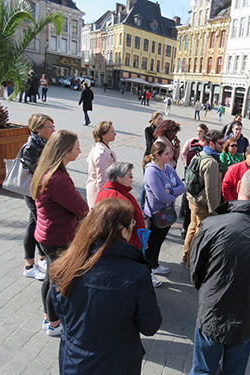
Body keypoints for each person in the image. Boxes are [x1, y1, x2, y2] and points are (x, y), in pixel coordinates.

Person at [190, 168, 250, 375]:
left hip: (213, 310)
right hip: (247, 314)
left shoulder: (212, 225)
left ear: (239, 186)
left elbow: (196, 271)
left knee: (202, 370)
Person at [50, 198, 162, 374]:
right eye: (131, 223)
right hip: (118, 363)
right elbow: (150, 326)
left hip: (74, 362)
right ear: (124, 232)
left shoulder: (64, 265)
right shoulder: (136, 274)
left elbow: (58, 310)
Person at [31, 130, 89, 336]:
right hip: (57, 237)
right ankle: (54, 323)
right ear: (65, 151)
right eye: (76, 148)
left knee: (51, 277)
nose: (80, 150)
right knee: (58, 281)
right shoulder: (58, 179)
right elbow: (81, 208)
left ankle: (49, 318)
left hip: (47, 233)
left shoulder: (49, 170)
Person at [20, 114, 56, 280]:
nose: (53, 130)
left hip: (41, 192)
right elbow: (40, 172)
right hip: (34, 192)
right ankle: (29, 265)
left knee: (34, 224)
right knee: (36, 225)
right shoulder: (31, 147)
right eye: (49, 127)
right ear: (38, 129)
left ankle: (40, 259)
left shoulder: (44, 143)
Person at [182, 130, 224, 269]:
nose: (223, 146)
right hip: (202, 204)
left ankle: (185, 254)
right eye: (220, 143)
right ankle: (190, 262)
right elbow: (211, 191)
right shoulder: (211, 162)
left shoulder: (200, 154)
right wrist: (214, 212)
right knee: (199, 232)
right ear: (211, 144)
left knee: (192, 227)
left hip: (193, 200)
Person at [143, 141, 185, 278]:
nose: (170, 156)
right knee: (151, 244)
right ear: (157, 155)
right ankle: (147, 273)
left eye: (170, 152)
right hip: (155, 215)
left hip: (167, 213)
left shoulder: (168, 168)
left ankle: (154, 265)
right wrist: (172, 194)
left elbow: (182, 187)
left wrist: (171, 191)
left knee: (159, 242)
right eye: (166, 153)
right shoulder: (151, 172)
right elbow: (161, 197)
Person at [86, 121, 117, 209]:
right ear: (103, 135)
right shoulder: (102, 154)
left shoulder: (100, 147)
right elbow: (102, 180)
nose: (115, 134)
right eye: (111, 132)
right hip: (99, 195)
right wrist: (105, 200)